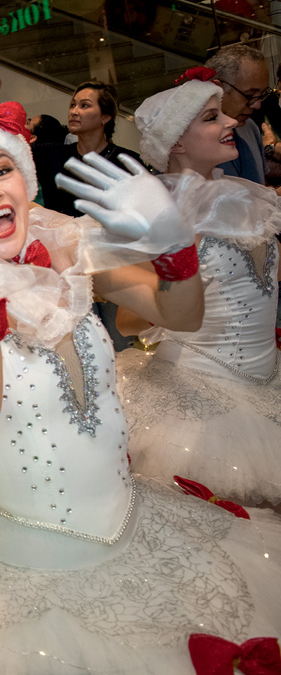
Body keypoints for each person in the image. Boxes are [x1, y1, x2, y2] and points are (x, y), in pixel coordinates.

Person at [0, 93, 281, 674]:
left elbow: (180, 316)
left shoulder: (68, 246)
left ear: (25, 182)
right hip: (28, 566)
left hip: (135, 521)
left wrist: (174, 245)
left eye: (2, 170)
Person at [115, 71, 281, 505]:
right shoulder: (155, 213)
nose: (230, 122)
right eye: (212, 117)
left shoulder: (246, 195)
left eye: (224, 112)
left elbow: (260, 279)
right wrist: (181, 281)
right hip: (202, 402)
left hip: (266, 378)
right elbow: (129, 320)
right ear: (176, 142)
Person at [32, 80, 143, 216]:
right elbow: (7, 150)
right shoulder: (51, 155)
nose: (73, 111)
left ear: (105, 117)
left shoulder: (128, 163)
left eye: (84, 105)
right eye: (73, 105)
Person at [205, 44, 272, 183]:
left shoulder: (250, 127)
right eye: (249, 95)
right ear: (218, 88)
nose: (257, 105)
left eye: (262, 95)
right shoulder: (189, 140)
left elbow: (260, 190)